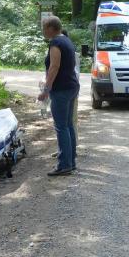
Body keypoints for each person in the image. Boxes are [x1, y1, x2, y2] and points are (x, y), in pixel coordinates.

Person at [38, 16, 80, 176]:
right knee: (68, 125)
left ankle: (64, 165)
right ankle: (71, 162)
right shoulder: (66, 40)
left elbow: (54, 67)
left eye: (44, 28)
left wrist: (46, 89)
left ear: (50, 28)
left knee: (61, 126)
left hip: (61, 89)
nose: (43, 31)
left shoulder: (56, 43)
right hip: (71, 86)